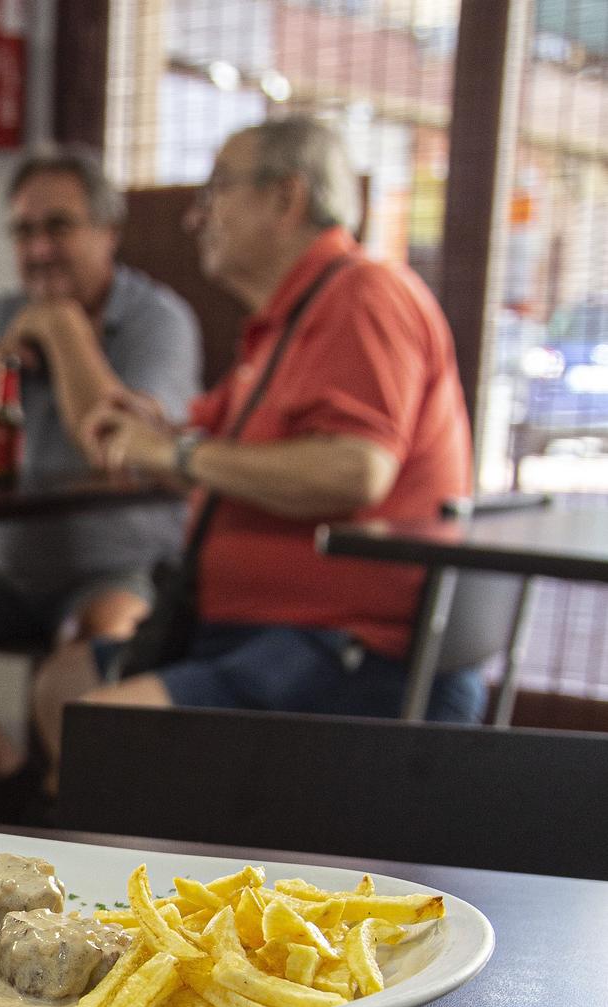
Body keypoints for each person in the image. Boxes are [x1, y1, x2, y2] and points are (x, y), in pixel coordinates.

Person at [37, 115, 476, 767]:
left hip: (345, 650)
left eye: (217, 188)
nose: (196, 216)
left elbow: (357, 469)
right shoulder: (281, 328)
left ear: (285, 198)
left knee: (102, 733)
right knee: (61, 685)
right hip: (250, 634)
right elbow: (220, 464)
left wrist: (176, 452)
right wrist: (157, 436)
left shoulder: (363, 293)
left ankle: (152, 860)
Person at [0, 149, 202, 660]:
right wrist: (4, 354)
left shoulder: (160, 319)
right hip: (7, 569)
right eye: (22, 232)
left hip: (124, 566)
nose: (38, 250)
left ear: (109, 232)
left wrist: (61, 327)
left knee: (90, 648)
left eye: (58, 228)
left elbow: (112, 439)